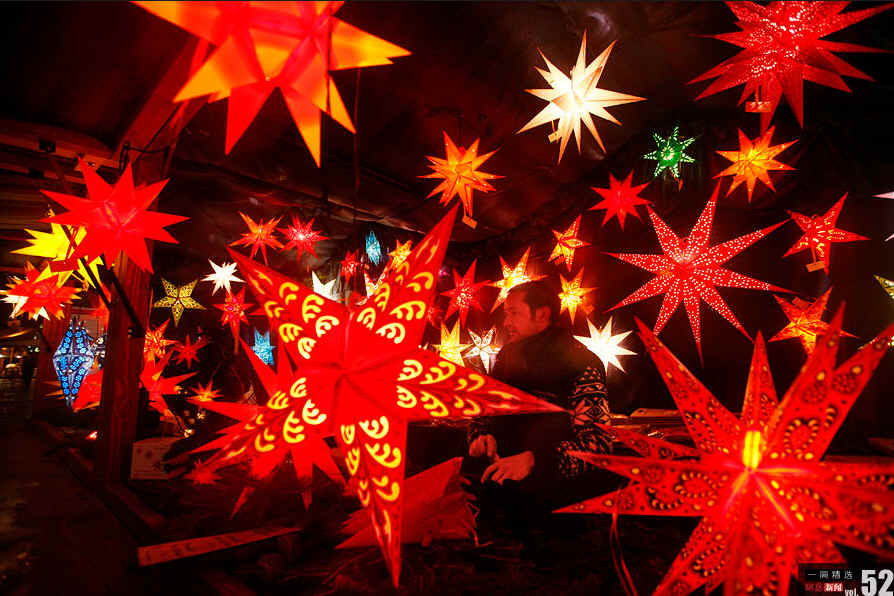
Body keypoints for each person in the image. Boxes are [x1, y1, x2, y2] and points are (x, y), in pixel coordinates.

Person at [463, 280, 612, 541]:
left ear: (542, 315)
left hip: (556, 514)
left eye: (514, 313)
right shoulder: (506, 357)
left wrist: (536, 461)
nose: (506, 322)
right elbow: (484, 410)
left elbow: (598, 444)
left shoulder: (581, 363)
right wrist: (480, 435)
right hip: (497, 498)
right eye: (506, 313)